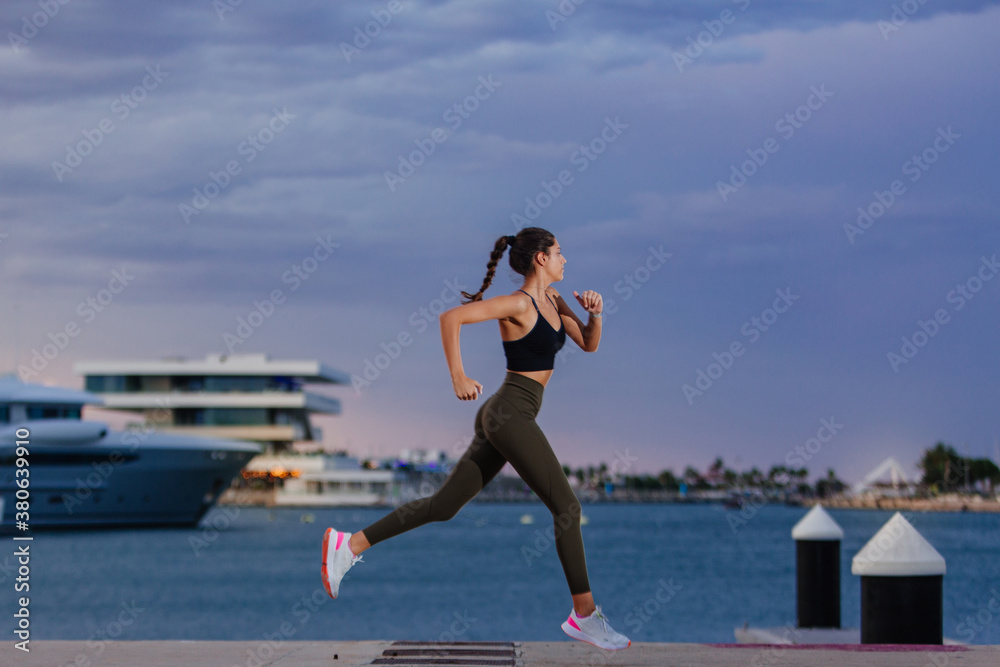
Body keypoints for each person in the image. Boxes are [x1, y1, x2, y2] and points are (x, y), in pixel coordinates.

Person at [321, 227, 630, 650]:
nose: (565, 260)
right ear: (540, 258)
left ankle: (349, 544)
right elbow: (451, 318)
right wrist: (459, 377)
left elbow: (588, 345)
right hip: (509, 413)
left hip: (510, 414)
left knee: (443, 506)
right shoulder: (519, 303)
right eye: (559, 253)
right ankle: (584, 615)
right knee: (567, 506)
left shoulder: (555, 302)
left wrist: (596, 314)